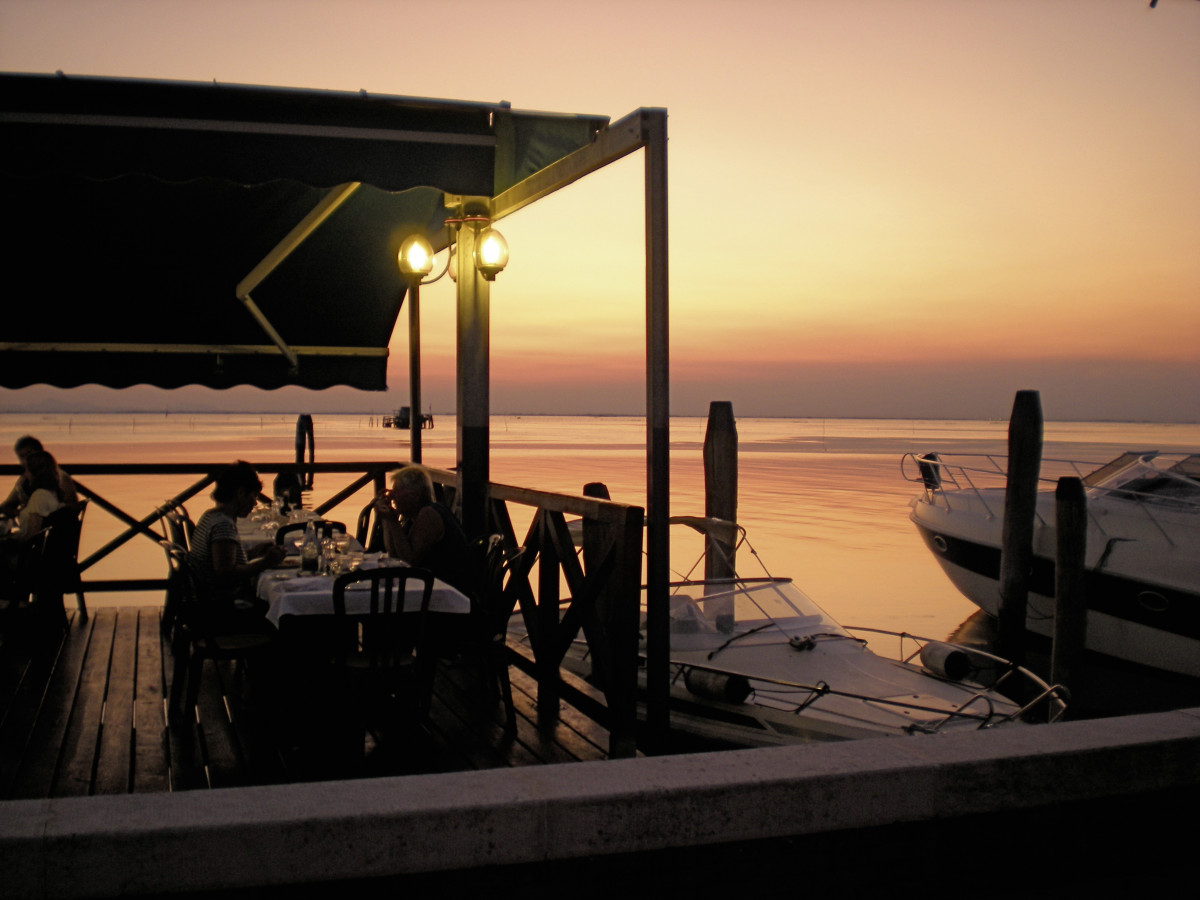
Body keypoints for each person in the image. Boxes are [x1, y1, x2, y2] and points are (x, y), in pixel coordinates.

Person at [188, 461, 285, 626]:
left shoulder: (210, 516)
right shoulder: (223, 525)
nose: (255, 503)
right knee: (287, 616)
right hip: (225, 611)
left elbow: (220, 561)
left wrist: (253, 553)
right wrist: (266, 563)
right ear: (240, 493)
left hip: (210, 604)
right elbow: (226, 574)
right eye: (253, 496)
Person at [375, 465, 474, 595]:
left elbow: (409, 562)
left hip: (450, 594)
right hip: (430, 587)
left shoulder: (429, 514)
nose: (392, 496)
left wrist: (393, 521)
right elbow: (394, 555)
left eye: (397, 490)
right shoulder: (413, 517)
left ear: (416, 494)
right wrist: (387, 519)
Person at [1, 435, 77, 518]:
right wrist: (20, 513)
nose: (26, 459)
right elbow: (9, 504)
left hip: (54, 527)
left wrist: (26, 513)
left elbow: (71, 506)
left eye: (29, 454)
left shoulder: (59, 477)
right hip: (35, 525)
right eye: (21, 456)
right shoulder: (24, 480)